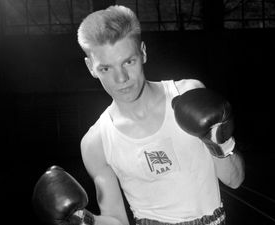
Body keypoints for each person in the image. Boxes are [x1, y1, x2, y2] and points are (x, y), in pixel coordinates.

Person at [59, 5, 244, 225]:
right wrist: (82, 220)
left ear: (143, 52)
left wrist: (218, 142)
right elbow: (117, 220)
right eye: (106, 69)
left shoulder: (188, 94)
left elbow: (234, 180)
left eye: (129, 61)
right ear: (90, 67)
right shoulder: (95, 142)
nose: (121, 79)